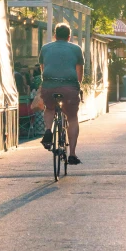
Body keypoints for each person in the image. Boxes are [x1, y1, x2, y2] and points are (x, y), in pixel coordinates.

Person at [39, 23, 84, 165]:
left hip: (49, 85)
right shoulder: (76, 49)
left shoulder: (45, 48)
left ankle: (47, 130)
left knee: (50, 108)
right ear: (69, 36)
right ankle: (72, 154)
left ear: (55, 35)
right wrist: (78, 86)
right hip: (69, 87)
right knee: (72, 117)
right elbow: (79, 71)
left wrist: (47, 83)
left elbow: (43, 68)